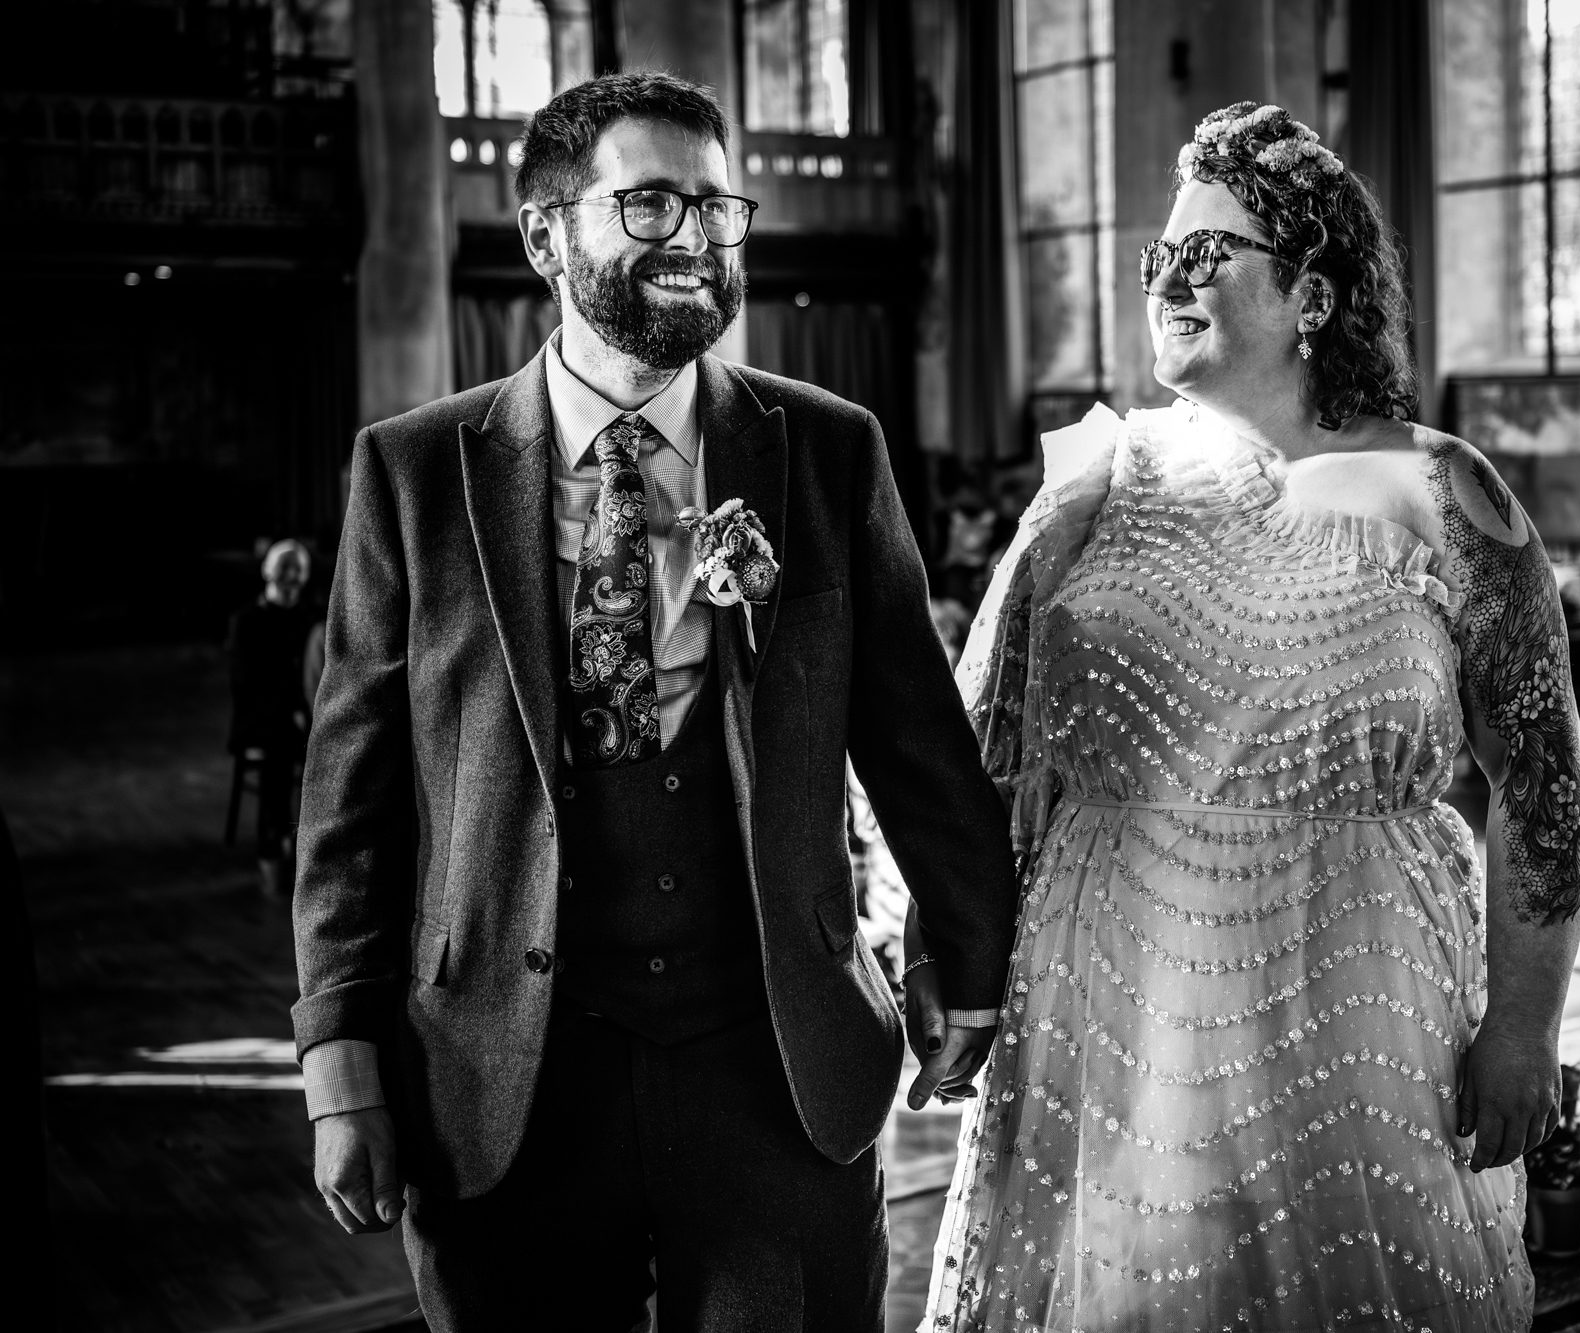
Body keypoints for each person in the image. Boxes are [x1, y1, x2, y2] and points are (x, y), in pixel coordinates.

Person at [291, 72, 1018, 1331]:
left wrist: (971, 957)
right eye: (646, 204)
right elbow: (350, 808)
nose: (691, 237)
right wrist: (339, 1067)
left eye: (714, 207)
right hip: (502, 1078)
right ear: (544, 235)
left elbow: (916, 741)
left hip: (775, 1066)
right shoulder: (411, 473)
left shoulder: (826, 447)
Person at [922, 103, 1580, 1332]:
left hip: (1360, 997)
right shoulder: (1092, 481)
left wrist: (1523, 1025)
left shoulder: (1444, 491)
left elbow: (1541, 784)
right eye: (1159, 257)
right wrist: (950, 958)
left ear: (1311, 297)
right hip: (1111, 1004)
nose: (1169, 278)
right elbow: (982, 750)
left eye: (1209, 252)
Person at [226, 538, 317, 898]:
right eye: (284, 568)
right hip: (259, 718)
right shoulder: (245, 622)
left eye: (298, 569)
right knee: (278, 749)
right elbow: (247, 685)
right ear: (268, 571)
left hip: (300, 717)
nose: (291, 576)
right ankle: (273, 850)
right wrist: (290, 711)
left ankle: (308, 848)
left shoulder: (308, 619)